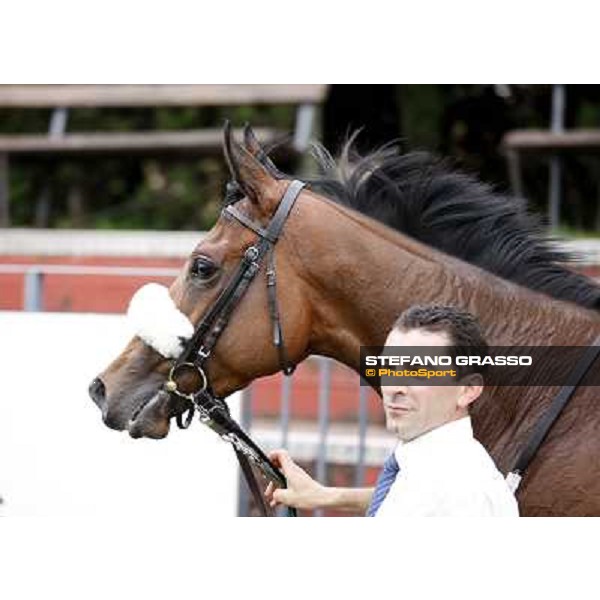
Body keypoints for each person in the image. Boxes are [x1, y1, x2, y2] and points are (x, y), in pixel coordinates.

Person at [264, 304, 519, 517]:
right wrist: (324, 495)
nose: (394, 386)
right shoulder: (428, 470)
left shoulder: (459, 488)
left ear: (467, 390)